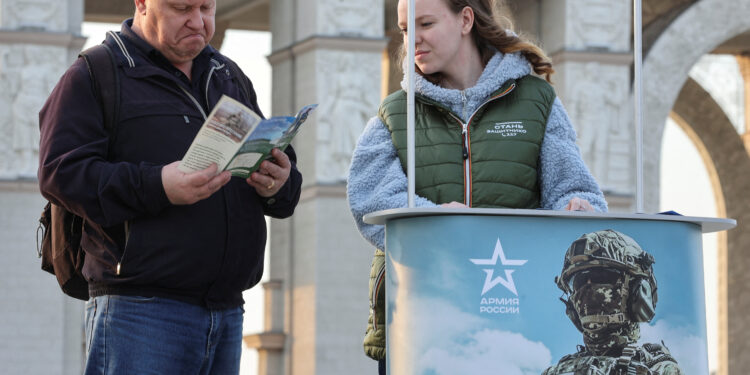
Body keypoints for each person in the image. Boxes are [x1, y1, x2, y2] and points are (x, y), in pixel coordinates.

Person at [37, 0, 302, 373]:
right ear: (142, 4)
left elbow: (283, 187)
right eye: (182, 8)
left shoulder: (229, 75)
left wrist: (280, 182)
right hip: (139, 314)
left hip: (227, 312)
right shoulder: (95, 74)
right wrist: (158, 185)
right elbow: (59, 174)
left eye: (206, 8)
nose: (199, 22)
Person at [345, 0, 608, 373]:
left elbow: (575, 188)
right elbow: (369, 200)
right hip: (419, 321)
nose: (412, 40)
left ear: (466, 19)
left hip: (518, 321)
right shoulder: (394, 113)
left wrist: (578, 208)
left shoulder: (536, 101)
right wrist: (436, 220)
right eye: (405, 29)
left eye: (426, 23)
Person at [543, 230, 683, 374]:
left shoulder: (660, 369)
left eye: (601, 277)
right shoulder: (558, 371)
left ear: (639, 292)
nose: (588, 290)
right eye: (580, 282)